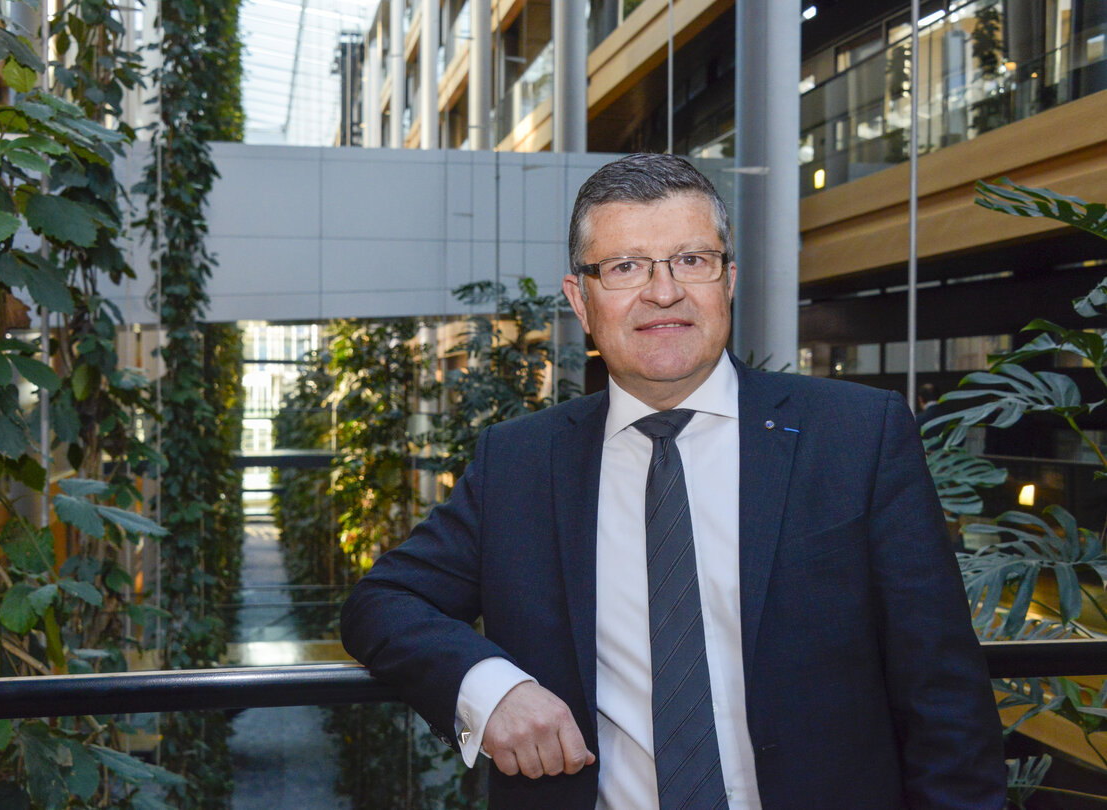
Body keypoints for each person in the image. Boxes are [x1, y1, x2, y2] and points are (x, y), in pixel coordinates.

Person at [340, 153, 1005, 810]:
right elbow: (384, 602)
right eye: (625, 267)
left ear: (728, 279)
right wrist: (488, 689)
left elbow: (943, 698)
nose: (664, 291)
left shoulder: (857, 435)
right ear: (580, 297)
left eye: (691, 260)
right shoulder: (520, 462)